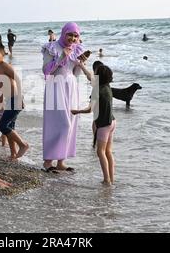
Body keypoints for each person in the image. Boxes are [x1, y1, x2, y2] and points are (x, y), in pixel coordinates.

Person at [41, 22, 89, 172]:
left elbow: (75, 73)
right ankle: (48, 162)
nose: (73, 38)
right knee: (57, 123)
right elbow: (46, 70)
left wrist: (81, 65)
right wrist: (62, 56)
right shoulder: (52, 47)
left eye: (76, 36)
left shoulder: (78, 49)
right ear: (63, 33)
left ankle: (61, 161)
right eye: (70, 34)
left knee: (71, 123)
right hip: (55, 85)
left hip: (71, 86)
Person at [72, 65, 116, 186]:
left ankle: (106, 180)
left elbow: (89, 110)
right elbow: (90, 77)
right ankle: (112, 179)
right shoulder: (107, 87)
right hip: (112, 122)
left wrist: (76, 111)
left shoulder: (97, 90)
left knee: (100, 152)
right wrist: (81, 65)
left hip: (103, 125)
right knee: (108, 152)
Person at [0, 44, 29, 161]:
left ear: (3, 54)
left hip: (15, 99)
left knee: (2, 126)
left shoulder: (5, 66)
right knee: (10, 127)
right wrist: (0, 99)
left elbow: (17, 79)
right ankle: (13, 155)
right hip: (8, 100)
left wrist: (20, 98)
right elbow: (3, 85)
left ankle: (23, 145)